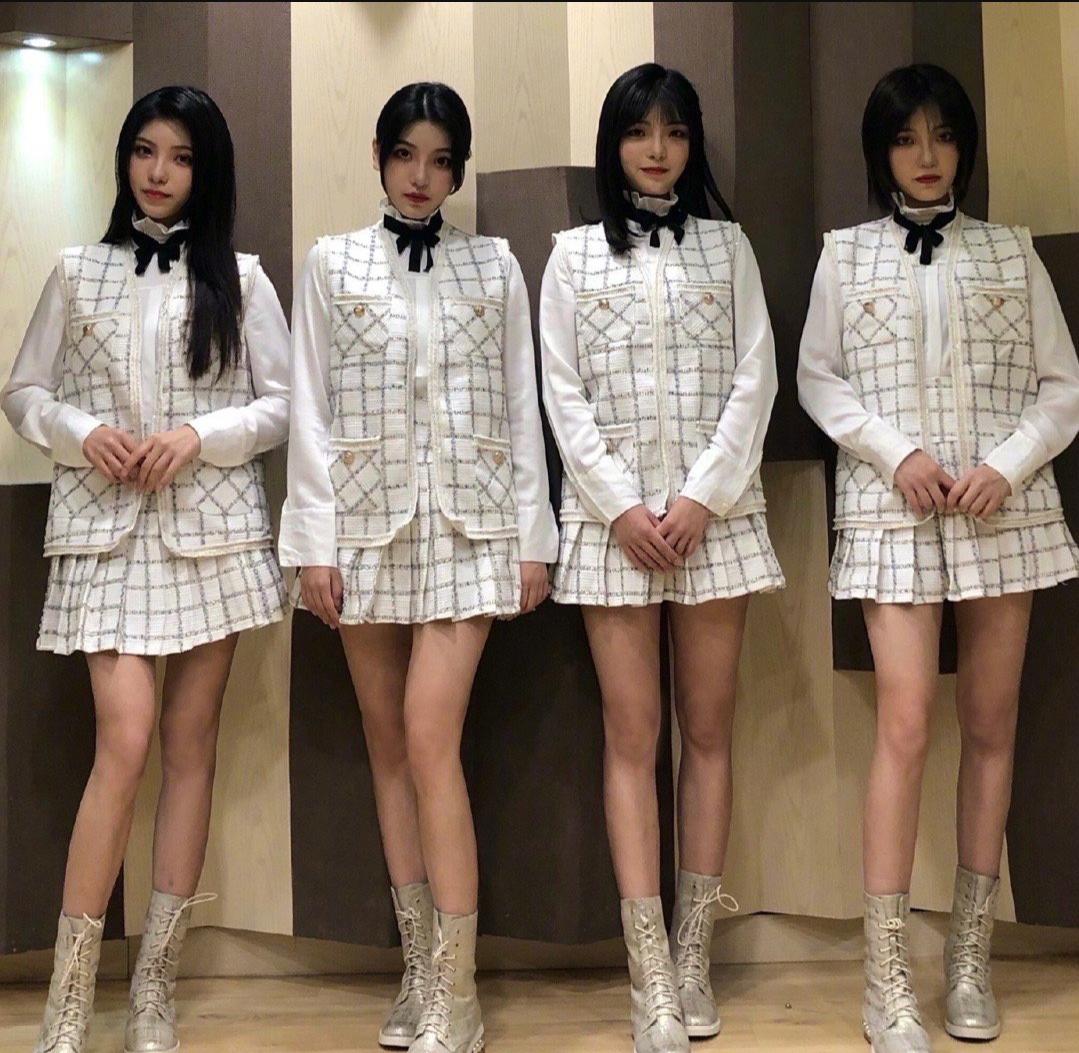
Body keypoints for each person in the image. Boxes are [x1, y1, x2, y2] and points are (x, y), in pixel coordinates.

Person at [2, 85, 291, 1053]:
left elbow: (283, 404)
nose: (158, 172)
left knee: (190, 744)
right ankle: (69, 996)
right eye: (144, 151)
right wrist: (81, 432)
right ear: (124, 159)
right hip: (103, 533)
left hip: (211, 534)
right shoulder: (75, 270)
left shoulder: (240, 279)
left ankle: (154, 988)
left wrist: (198, 436)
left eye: (180, 157)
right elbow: (22, 390)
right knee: (122, 744)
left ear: (206, 172)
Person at [798, 63, 1079, 1052]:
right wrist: (894, 453)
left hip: (1006, 515)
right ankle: (884, 976)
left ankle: (967, 958)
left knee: (991, 724)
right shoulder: (843, 256)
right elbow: (818, 379)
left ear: (963, 148)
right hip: (892, 515)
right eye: (905, 138)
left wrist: (1005, 465)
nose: (925, 156)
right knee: (906, 722)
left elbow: (1060, 388)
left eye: (942, 136)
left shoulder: (1010, 251)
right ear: (879, 152)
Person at [281, 81, 557, 1053]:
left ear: (457, 171)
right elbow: (310, 406)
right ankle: (418, 967)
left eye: (440, 161)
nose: (420, 177)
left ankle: (458, 989)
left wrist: (533, 535)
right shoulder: (330, 262)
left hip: (471, 529)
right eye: (405, 155)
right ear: (378, 155)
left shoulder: (495, 263)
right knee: (388, 745)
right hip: (362, 531)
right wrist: (312, 544)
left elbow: (521, 400)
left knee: (428, 736)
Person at [540, 62, 784, 1053]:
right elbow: (561, 394)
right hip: (612, 531)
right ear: (613, 144)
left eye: (674, 132)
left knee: (708, 732)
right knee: (629, 735)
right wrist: (618, 506)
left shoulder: (729, 247)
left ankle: (691, 957)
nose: (655, 149)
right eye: (638, 131)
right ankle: (647, 973)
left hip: (712, 522)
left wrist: (699, 497)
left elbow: (755, 379)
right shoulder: (568, 256)